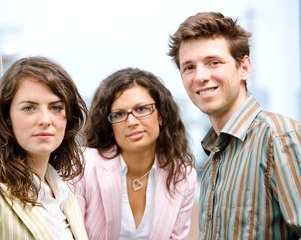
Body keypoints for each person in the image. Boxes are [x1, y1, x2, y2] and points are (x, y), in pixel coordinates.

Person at [168, 11, 301, 239]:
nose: (200, 76)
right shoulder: (213, 160)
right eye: (189, 67)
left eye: (214, 62)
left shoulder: (277, 137)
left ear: (244, 68)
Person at [0, 56, 89, 239]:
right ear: (7, 118)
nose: (45, 120)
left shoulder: (66, 193)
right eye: (29, 108)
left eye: (56, 107)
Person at [73, 67, 197, 239]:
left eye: (141, 109)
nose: (131, 122)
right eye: (119, 114)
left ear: (161, 115)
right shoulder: (84, 165)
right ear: (109, 124)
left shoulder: (183, 175)